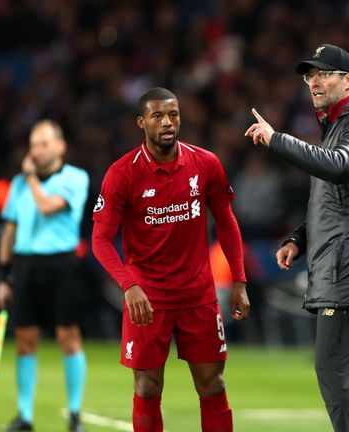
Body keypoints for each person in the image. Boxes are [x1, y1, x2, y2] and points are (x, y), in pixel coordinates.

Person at [245, 44, 349, 432]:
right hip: (341, 261)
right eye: (310, 75)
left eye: (324, 73)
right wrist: (299, 238)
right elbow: (338, 199)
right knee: (347, 375)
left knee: (331, 370)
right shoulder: (339, 124)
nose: (314, 81)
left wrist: (278, 140)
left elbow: (341, 167)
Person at [91, 87, 249, 432]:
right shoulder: (122, 174)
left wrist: (239, 280)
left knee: (213, 385)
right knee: (148, 386)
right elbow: (100, 240)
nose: (167, 122)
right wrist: (129, 284)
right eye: (158, 116)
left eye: (173, 115)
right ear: (141, 122)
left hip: (198, 296)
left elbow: (226, 221)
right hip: (148, 300)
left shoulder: (205, 163)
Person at [0, 120, 90, 432]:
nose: (37, 150)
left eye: (44, 143)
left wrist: (31, 178)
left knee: (69, 337)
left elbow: (49, 206)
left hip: (61, 264)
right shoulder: (18, 183)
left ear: (61, 146)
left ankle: (75, 415)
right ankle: (25, 416)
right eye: (34, 144)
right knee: (25, 339)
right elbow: (10, 230)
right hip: (25, 265)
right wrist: (2, 276)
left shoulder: (75, 178)